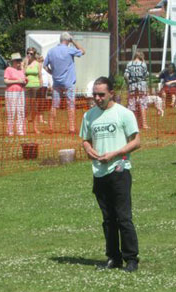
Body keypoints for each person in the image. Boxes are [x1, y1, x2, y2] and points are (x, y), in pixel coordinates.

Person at [79, 76, 141, 272]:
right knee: (108, 219)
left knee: (123, 217)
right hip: (99, 173)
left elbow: (136, 141)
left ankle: (131, 259)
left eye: (101, 94)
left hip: (119, 170)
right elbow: (86, 139)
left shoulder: (124, 114)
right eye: (95, 94)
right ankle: (113, 258)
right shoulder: (89, 116)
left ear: (111, 93)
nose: (97, 98)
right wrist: (88, 149)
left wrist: (114, 154)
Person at [43, 32, 85, 134]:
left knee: (54, 105)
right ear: (68, 40)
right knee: (70, 105)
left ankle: (51, 127)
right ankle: (71, 128)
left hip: (57, 83)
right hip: (69, 83)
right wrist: (73, 41)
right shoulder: (70, 49)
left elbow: (44, 66)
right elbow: (83, 51)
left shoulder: (51, 51)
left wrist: (52, 73)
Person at [4, 52, 27, 136]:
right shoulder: (8, 69)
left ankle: (20, 130)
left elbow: (24, 81)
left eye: (19, 61)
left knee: (21, 111)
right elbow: (6, 81)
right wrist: (17, 81)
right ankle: (10, 130)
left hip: (21, 92)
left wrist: (24, 82)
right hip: (11, 92)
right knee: (11, 111)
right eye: (17, 61)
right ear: (13, 62)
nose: (18, 63)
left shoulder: (21, 71)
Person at [124, 51, 149, 129]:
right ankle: (144, 124)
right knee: (143, 104)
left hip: (132, 86)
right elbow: (146, 75)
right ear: (142, 57)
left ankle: (132, 124)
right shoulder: (143, 64)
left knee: (131, 104)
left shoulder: (129, 64)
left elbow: (126, 75)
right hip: (142, 85)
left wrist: (128, 82)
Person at [23, 47, 42, 133]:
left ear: (34, 55)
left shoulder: (38, 64)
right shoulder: (24, 63)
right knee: (26, 108)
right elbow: (22, 74)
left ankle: (35, 128)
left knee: (34, 108)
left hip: (36, 87)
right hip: (27, 87)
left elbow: (40, 76)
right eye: (28, 53)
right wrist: (26, 64)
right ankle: (24, 127)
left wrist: (41, 86)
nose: (29, 55)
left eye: (31, 54)